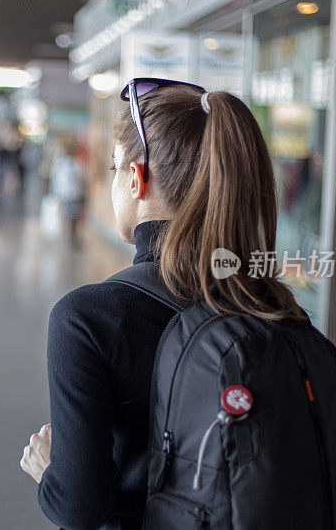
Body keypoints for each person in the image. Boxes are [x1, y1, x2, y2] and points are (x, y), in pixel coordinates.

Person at [20, 83, 308, 528]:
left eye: (115, 167)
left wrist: (48, 474)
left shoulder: (87, 319)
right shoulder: (275, 306)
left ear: (136, 179)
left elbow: (78, 508)